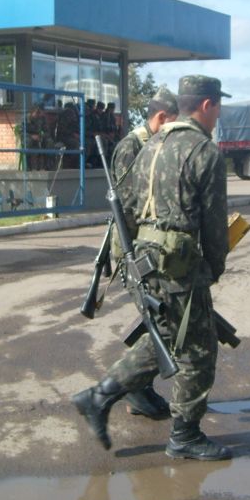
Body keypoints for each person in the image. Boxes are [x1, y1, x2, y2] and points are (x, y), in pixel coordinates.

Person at [72, 75, 232, 461]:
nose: (218, 114)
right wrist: (214, 267)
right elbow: (213, 224)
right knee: (197, 348)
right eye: (218, 106)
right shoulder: (203, 152)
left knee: (166, 334)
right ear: (207, 106)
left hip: (148, 260)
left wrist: (131, 263)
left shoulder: (151, 145)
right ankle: (185, 436)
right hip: (180, 264)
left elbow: (125, 207)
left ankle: (100, 396)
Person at [107, 86, 179, 421]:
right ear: (161, 117)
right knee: (156, 320)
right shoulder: (131, 146)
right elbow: (124, 206)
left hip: (150, 247)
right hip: (135, 248)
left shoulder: (155, 143)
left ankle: (141, 386)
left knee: (158, 317)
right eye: (174, 122)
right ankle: (132, 387)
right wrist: (136, 254)